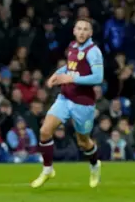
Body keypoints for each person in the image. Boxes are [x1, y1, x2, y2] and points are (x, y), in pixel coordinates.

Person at [31, 19, 104, 189]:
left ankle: (94, 165)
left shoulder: (93, 52)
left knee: (83, 142)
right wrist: (56, 75)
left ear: (90, 33)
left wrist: (72, 78)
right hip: (65, 97)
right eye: (79, 28)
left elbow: (98, 77)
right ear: (74, 31)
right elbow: (70, 67)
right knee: (45, 131)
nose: (82, 32)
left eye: (86, 29)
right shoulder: (72, 46)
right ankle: (48, 169)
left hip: (83, 103)